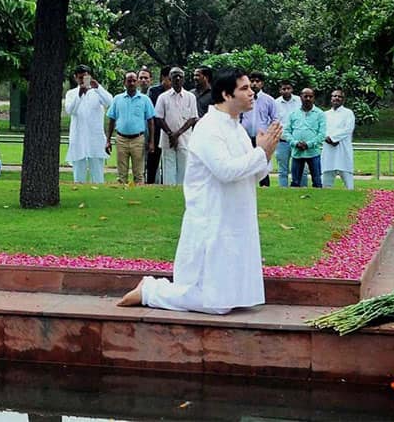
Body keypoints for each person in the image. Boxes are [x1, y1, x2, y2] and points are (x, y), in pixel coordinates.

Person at [118, 68, 282, 313]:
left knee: (230, 300)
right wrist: (260, 152)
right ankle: (152, 291)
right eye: (245, 88)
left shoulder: (236, 128)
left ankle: (159, 291)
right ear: (227, 95)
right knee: (214, 304)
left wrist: (265, 152)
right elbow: (225, 170)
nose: (252, 93)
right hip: (211, 218)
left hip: (236, 215)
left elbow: (255, 174)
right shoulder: (209, 127)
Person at [64, 64, 113, 184]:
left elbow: (110, 102)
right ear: (75, 78)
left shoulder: (97, 92)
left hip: (95, 138)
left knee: (97, 176)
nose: (83, 80)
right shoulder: (71, 93)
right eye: (80, 78)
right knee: (78, 177)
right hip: (78, 138)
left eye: (85, 77)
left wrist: (98, 88)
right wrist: (79, 94)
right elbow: (70, 110)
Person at [105, 71, 155, 185]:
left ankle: (140, 197)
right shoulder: (117, 99)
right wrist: (108, 140)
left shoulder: (144, 99)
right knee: (121, 174)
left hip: (138, 140)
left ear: (137, 82)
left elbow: (151, 121)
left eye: (134, 81)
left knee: (139, 174)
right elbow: (111, 120)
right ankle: (122, 198)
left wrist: (151, 141)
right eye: (129, 81)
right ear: (124, 83)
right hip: (121, 139)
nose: (132, 83)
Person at [154, 67, 198, 186]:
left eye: (180, 76)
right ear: (170, 79)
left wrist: (177, 134)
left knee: (184, 168)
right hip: (167, 139)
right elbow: (159, 117)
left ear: (183, 79)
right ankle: (169, 191)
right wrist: (170, 134)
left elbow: (193, 118)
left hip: (184, 139)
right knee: (168, 167)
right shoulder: (163, 97)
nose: (177, 79)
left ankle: (181, 192)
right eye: (174, 76)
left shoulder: (190, 97)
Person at [239, 71, 277, 187]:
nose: (254, 84)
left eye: (257, 81)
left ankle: (264, 187)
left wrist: (269, 135)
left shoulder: (269, 100)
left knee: (262, 162)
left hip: (262, 138)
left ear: (262, 83)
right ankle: (245, 187)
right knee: (246, 163)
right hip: (245, 136)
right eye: (252, 81)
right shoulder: (243, 98)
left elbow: (274, 118)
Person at [284, 87, 326, 188]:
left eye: (310, 96)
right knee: (295, 181)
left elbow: (322, 134)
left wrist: (309, 144)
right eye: (305, 96)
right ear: (300, 97)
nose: (308, 98)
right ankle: (294, 200)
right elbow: (286, 132)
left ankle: (318, 199)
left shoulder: (320, 114)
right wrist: (295, 143)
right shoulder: (293, 114)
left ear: (313, 98)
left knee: (316, 180)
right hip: (297, 151)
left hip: (313, 152)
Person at [322, 89, 356, 189]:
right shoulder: (325, 114)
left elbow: (348, 129)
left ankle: (351, 193)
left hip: (343, 148)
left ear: (343, 99)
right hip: (328, 148)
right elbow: (322, 129)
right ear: (331, 98)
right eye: (334, 96)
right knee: (327, 175)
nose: (336, 98)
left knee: (347, 176)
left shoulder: (348, 113)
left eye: (339, 96)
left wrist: (333, 138)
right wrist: (328, 138)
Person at [274, 80, 302, 187]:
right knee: (283, 170)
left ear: (292, 89)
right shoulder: (275, 103)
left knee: (301, 170)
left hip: (297, 141)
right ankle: (283, 190)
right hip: (283, 141)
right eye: (283, 89)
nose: (286, 91)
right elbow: (274, 121)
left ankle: (302, 189)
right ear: (280, 90)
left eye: (288, 88)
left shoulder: (299, 101)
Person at [145, 66, 171, 184]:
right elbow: (153, 113)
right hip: (155, 131)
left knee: (168, 162)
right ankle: (150, 184)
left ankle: (166, 184)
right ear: (163, 78)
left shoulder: (177, 91)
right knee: (152, 163)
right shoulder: (154, 91)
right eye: (169, 78)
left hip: (171, 131)